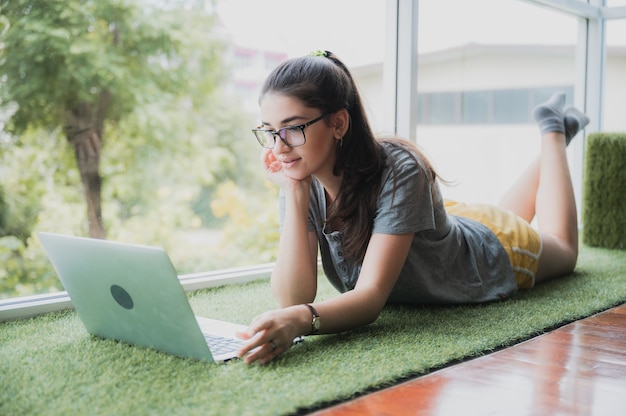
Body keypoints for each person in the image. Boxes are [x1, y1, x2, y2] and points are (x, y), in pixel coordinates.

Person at [235, 50, 590, 365]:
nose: (279, 147)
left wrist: (300, 320)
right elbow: (293, 296)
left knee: (564, 248)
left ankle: (553, 133)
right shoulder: (301, 173)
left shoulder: (400, 168)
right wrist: (295, 197)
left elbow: (370, 298)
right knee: (503, 216)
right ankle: (554, 138)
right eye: (269, 131)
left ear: (339, 122)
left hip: (490, 252)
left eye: (293, 128)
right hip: (441, 226)